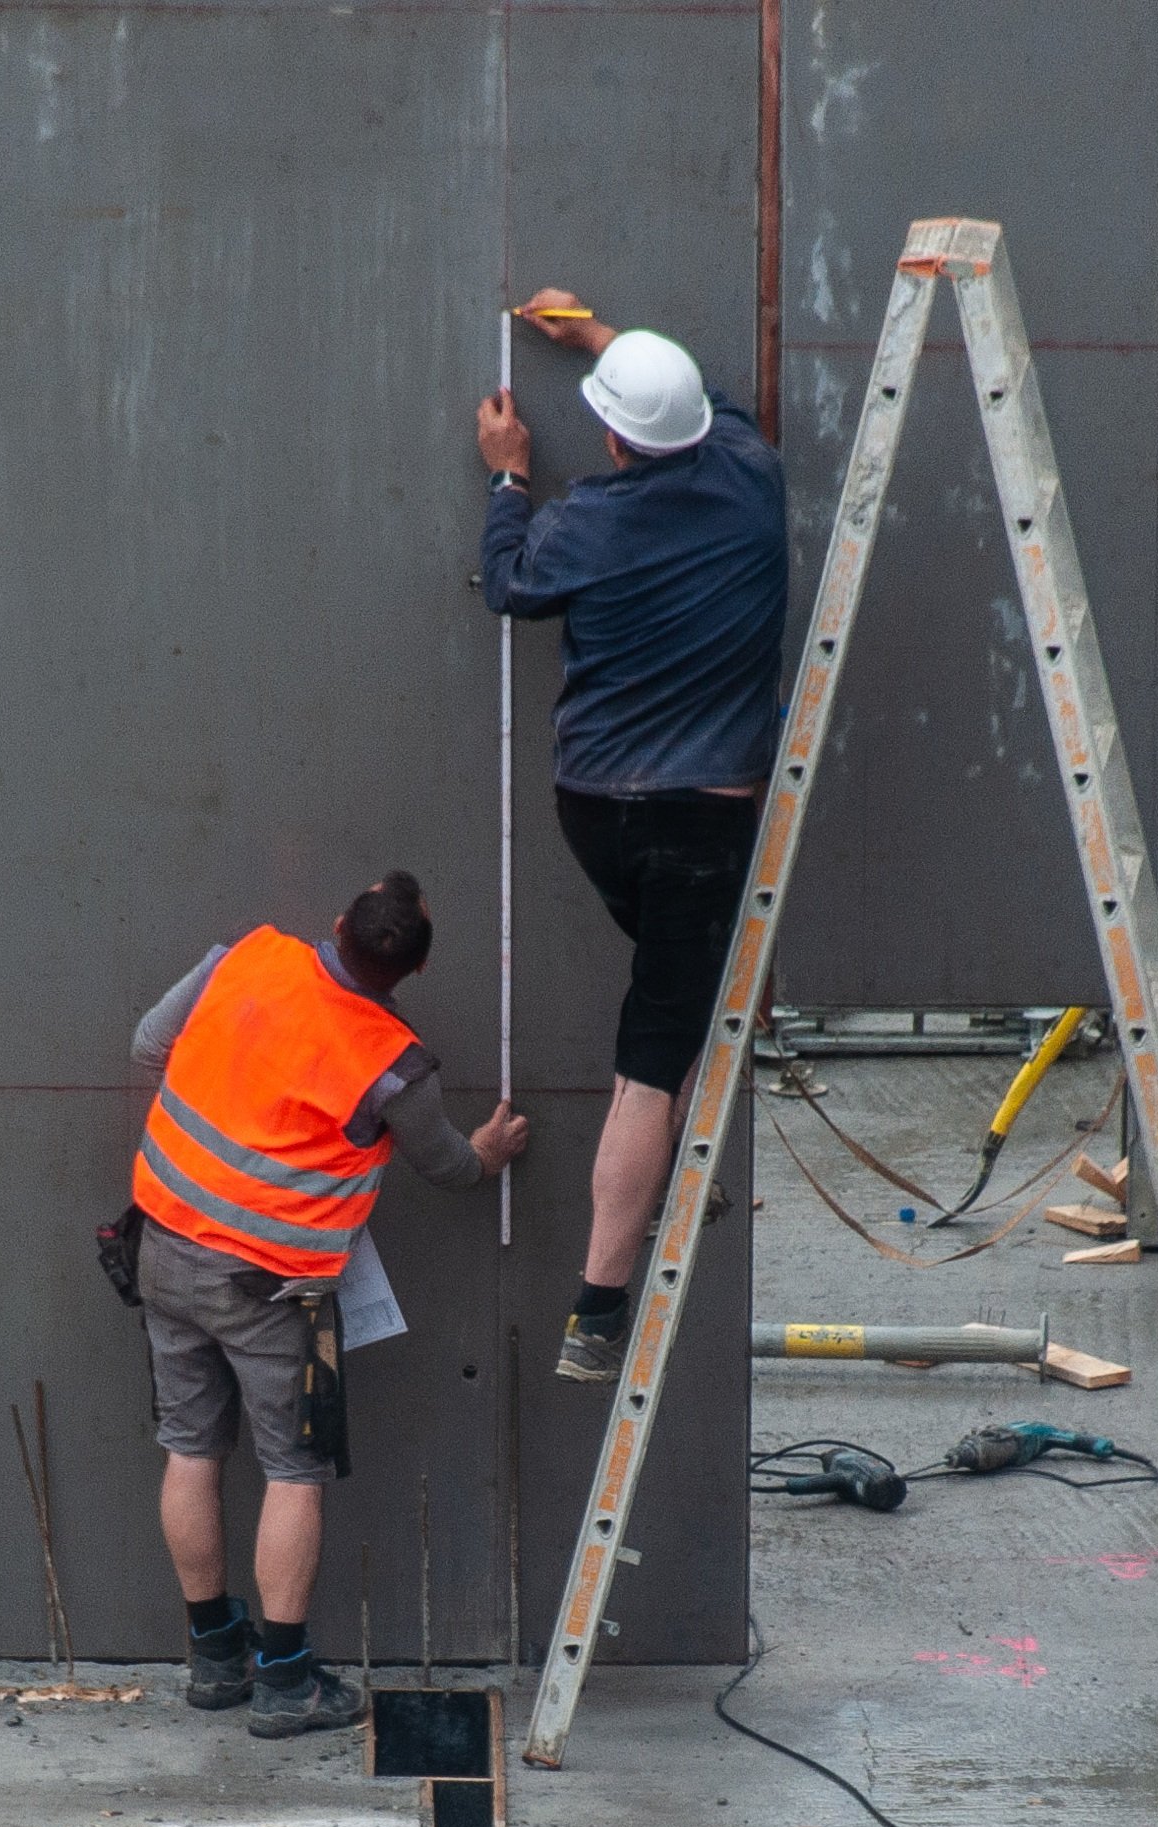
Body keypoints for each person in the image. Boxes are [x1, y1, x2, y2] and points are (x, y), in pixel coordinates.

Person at [127, 874, 532, 1734]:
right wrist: (491, 1151)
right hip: (270, 1292)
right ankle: (283, 1680)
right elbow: (451, 1168)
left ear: (339, 923)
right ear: (413, 970)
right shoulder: (392, 1062)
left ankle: (214, 1659)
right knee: (292, 1473)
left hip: (161, 1245)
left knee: (190, 1450)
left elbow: (148, 1047)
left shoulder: (245, 957)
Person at [476, 289, 790, 1384]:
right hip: (703, 817)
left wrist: (510, 475)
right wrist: (607, 339)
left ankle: (652, 1176)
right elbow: (702, 406)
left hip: (594, 808)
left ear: (608, 436)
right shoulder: (752, 474)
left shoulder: (578, 521)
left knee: (668, 1007)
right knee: (649, 1061)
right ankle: (598, 1306)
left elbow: (509, 587)